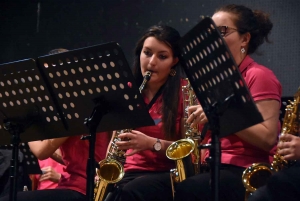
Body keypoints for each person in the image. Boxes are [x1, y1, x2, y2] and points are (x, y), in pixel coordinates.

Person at [174, 4, 282, 201]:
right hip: (214, 165)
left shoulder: (259, 75)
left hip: (246, 169)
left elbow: (267, 139)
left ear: (244, 38)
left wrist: (220, 114)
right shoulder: (216, 81)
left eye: (222, 31)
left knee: (188, 190)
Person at [0, 47, 111, 201]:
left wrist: (20, 121)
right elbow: (72, 158)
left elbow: (41, 151)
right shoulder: (82, 103)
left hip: (80, 189)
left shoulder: (74, 106)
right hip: (72, 185)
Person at [105, 24, 186, 201]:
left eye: (162, 56)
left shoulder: (184, 93)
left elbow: (188, 151)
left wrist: (151, 143)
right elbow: (114, 141)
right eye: (147, 53)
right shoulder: (127, 91)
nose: (151, 62)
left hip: (166, 175)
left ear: (174, 61)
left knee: (129, 192)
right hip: (128, 174)